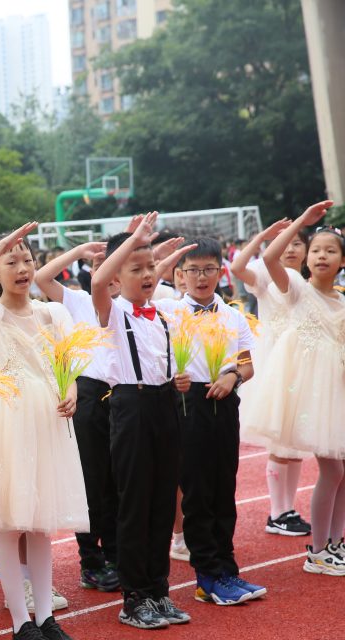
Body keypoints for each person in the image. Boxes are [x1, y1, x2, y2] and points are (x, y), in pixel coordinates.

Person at [0, 226, 86, 640]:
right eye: (10, 261)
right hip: (7, 423)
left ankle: (46, 616)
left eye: (27, 260)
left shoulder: (51, 314)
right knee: (9, 524)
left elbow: (66, 368)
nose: (22, 269)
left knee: (39, 525)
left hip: (47, 422)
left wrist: (70, 391)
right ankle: (20, 621)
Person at [91, 212, 190, 629]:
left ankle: (158, 590)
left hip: (165, 405)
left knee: (163, 501)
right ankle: (134, 598)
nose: (148, 274)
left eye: (151, 267)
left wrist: (178, 379)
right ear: (118, 277)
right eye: (136, 268)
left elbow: (162, 363)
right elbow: (99, 281)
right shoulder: (113, 311)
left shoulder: (162, 314)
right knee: (135, 503)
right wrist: (132, 241)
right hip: (130, 408)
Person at [154, 238, 265, 605]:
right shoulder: (168, 312)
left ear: (221, 271)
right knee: (198, 491)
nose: (201, 277)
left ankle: (227, 570)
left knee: (224, 489)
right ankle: (207, 575)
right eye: (193, 270)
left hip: (225, 400)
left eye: (209, 269)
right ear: (180, 275)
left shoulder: (233, 315)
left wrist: (233, 377)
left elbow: (247, 365)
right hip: (188, 404)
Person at [241, 201, 345, 576]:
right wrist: (302, 220)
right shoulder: (297, 289)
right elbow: (270, 257)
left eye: (330, 251)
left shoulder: (342, 300)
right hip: (312, 396)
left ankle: (335, 543)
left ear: (342, 261)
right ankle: (318, 551)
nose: (321, 256)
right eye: (316, 250)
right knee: (332, 471)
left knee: (342, 472)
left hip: (337, 394)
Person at [35, 242, 120, 593]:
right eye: (100, 267)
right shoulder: (78, 300)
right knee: (92, 482)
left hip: (124, 398)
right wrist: (80, 251)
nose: (106, 274)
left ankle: (116, 555)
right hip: (86, 396)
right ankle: (91, 561)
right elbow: (42, 277)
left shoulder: (129, 307)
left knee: (118, 482)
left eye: (114, 267)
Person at [230, 220, 312, 537]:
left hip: (301, 363)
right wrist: (262, 237)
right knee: (281, 439)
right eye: (285, 243)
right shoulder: (267, 276)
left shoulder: (305, 281)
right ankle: (278, 512)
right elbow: (237, 267)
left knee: (294, 442)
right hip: (277, 364)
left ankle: (288, 509)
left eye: (297, 243)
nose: (290, 248)